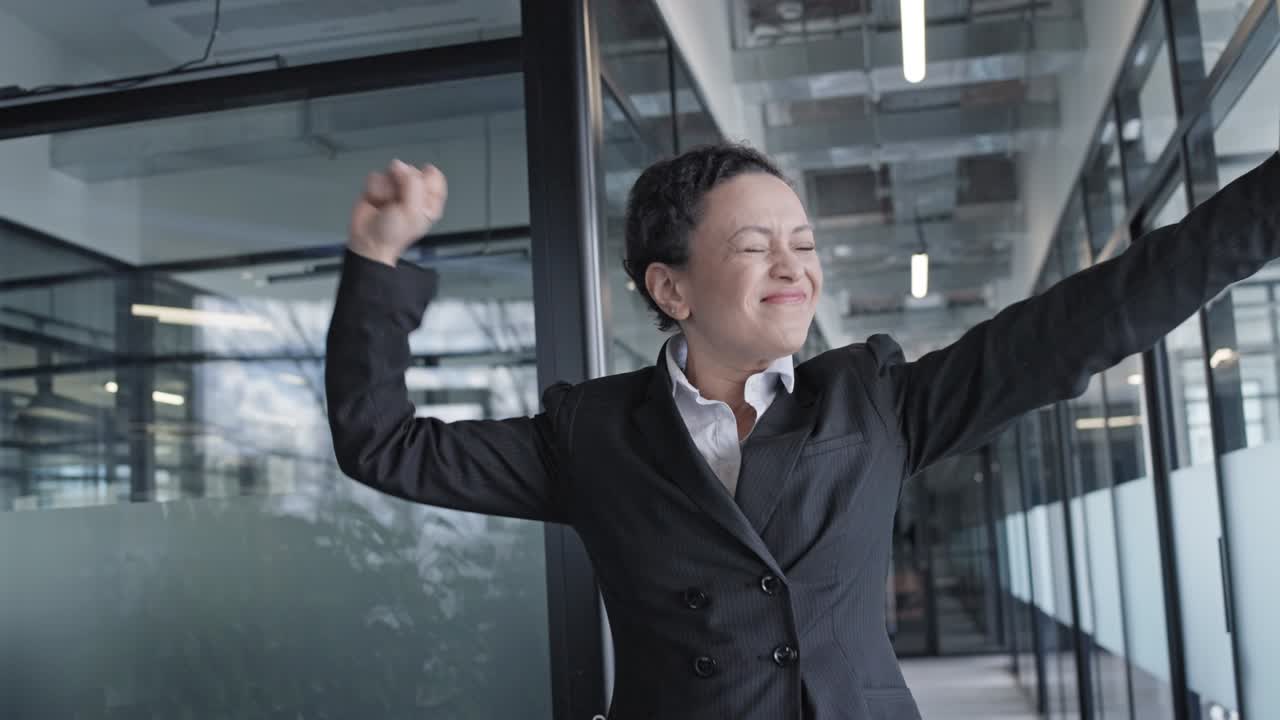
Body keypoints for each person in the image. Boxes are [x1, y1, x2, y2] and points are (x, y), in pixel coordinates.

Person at [325, 144, 1280, 719]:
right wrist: (376, 260)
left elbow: (1088, 321)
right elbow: (386, 444)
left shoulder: (871, 399)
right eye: (754, 247)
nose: (794, 268)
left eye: (804, 245)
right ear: (671, 287)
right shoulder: (593, 436)